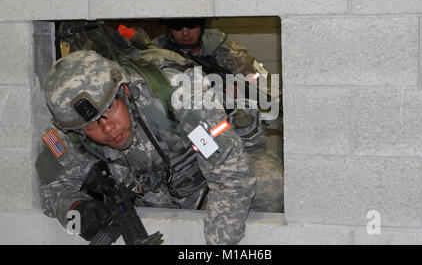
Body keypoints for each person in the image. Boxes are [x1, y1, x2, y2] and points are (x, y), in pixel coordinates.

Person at [35, 49, 277, 245]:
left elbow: (231, 175)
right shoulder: (71, 129)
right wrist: (75, 208)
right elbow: (52, 188)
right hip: (155, 198)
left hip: (208, 180)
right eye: (91, 126)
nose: (107, 129)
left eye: (109, 110)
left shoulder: (182, 93)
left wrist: (216, 246)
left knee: (269, 184)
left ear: (124, 90)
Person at [153, 17, 284, 212]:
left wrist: (242, 96)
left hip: (238, 144)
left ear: (203, 26)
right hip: (180, 154)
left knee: (272, 185)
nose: (185, 32)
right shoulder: (154, 60)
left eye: (192, 25)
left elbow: (270, 94)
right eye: (177, 27)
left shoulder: (231, 54)